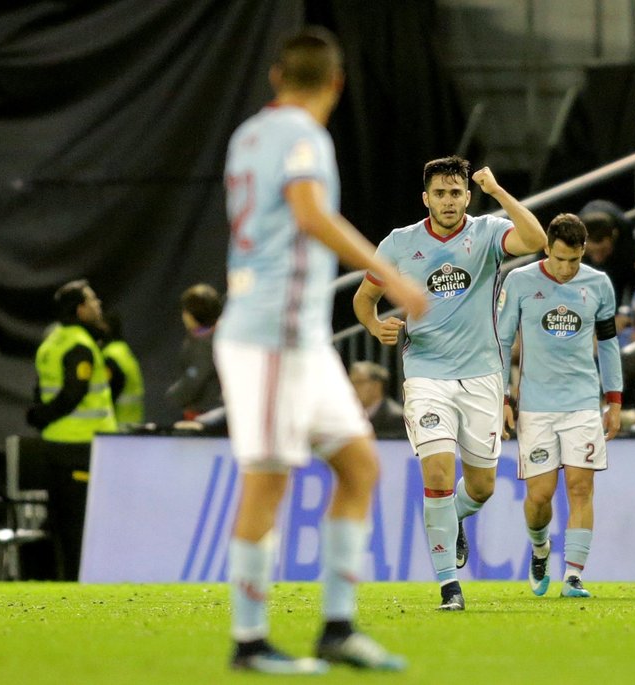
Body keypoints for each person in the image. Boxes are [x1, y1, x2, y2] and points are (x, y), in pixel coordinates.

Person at [216, 28, 427, 674]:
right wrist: (389, 274)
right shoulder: (306, 138)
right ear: (336, 83)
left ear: (278, 75)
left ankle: (338, 627)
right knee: (268, 481)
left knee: (360, 465)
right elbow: (309, 211)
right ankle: (249, 641)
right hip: (270, 334)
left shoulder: (248, 134)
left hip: (298, 337)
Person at [353, 155, 546, 611]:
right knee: (437, 475)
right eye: (439, 193)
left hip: (482, 375)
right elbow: (365, 299)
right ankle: (448, 587)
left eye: (456, 192)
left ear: (467, 196)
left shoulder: (486, 234)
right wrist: (373, 324)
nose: (448, 201)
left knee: (481, 487)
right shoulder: (399, 244)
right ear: (426, 198)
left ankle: (454, 518)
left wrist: (498, 192)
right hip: (425, 374)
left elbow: (536, 238)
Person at [495, 213, 622, 599]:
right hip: (535, 405)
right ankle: (539, 548)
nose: (567, 269)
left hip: (583, 402)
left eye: (575, 260)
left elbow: (609, 344)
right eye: (560, 259)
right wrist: (502, 397)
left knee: (581, 488)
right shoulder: (519, 281)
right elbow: (501, 343)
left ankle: (573, 575)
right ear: (547, 247)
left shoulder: (598, 285)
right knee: (539, 497)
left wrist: (614, 399)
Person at [27, 279, 118, 443]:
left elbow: (40, 390)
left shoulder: (49, 343)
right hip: (85, 438)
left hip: (54, 435)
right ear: (80, 309)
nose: (98, 303)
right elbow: (73, 394)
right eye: (92, 299)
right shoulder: (80, 345)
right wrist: (42, 415)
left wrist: (39, 417)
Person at [166, 283, 224, 420]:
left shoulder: (205, 343)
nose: (184, 316)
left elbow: (196, 378)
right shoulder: (213, 337)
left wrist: (174, 395)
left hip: (205, 417)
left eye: (185, 311)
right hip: (211, 413)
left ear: (193, 314)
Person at [100, 312, 145, 427]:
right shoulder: (123, 351)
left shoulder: (110, 356)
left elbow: (109, 391)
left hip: (117, 425)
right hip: (133, 421)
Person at [348, 361, 405, 438]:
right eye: (351, 383)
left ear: (376, 385)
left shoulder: (397, 418)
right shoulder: (348, 415)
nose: (352, 387)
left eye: (358, 382)